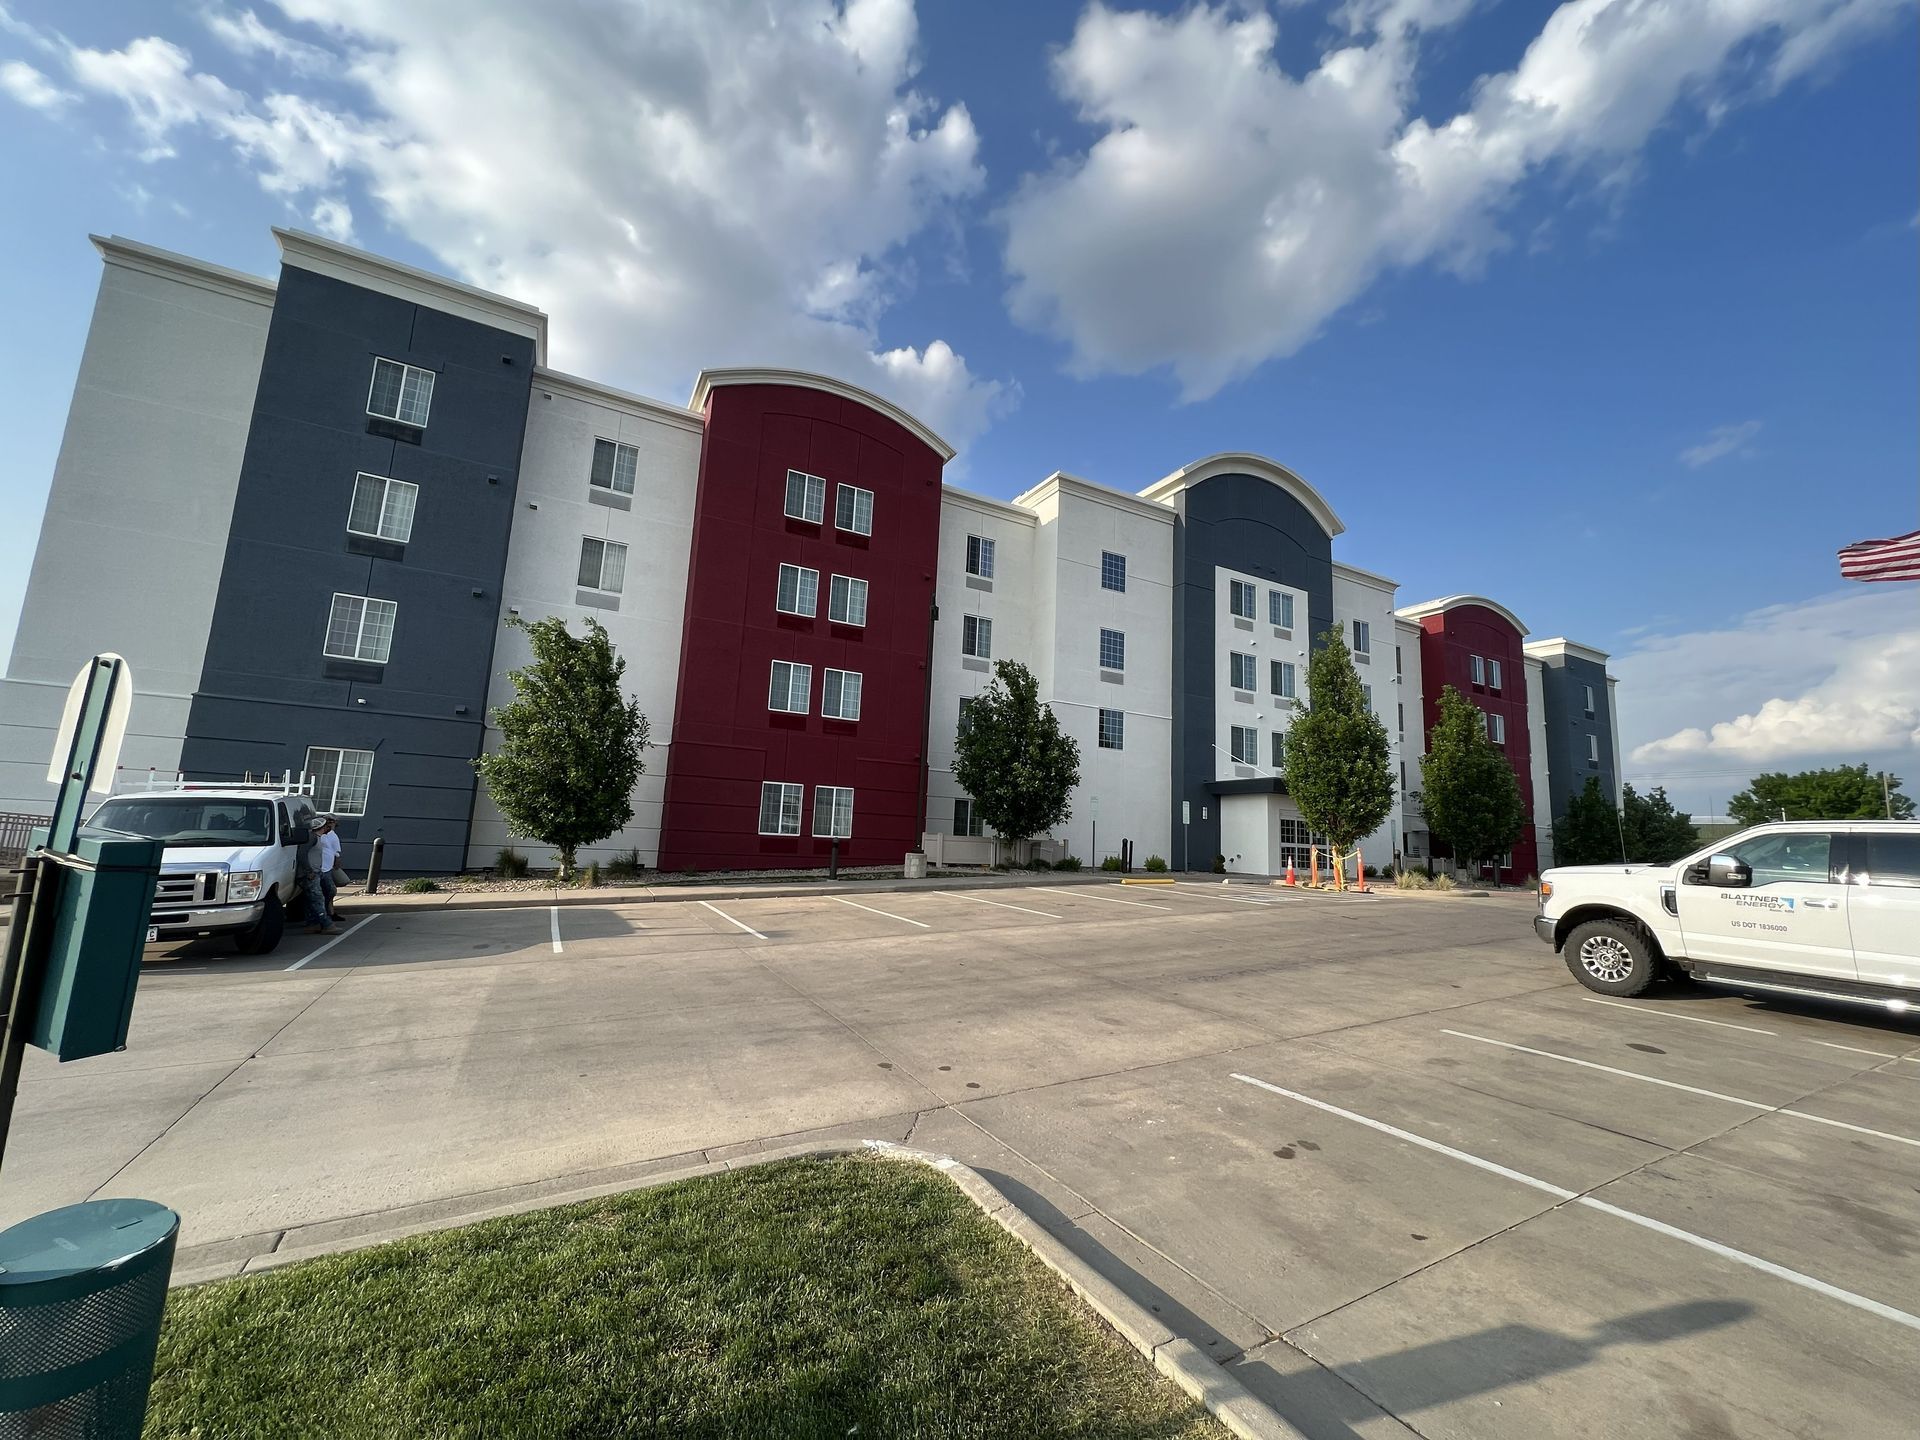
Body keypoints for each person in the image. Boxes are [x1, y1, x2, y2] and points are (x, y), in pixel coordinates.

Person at [301, 818, 337, 935]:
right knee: (318, 899)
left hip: (317, 872)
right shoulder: (312, 837)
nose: (328, 828)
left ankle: (313, 924)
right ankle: (327, 925)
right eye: (326, 826)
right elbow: (302, 854)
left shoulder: (318, 838)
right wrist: (309, 871)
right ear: (321, 827)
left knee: (311, 899)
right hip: (311, 874)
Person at [315, 815, 344, 923]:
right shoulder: (318, 834)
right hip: (319, 867)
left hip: (328, 867)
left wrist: (337, 860)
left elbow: (335, 850)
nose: (330, 823)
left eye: (332, 821)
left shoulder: (332, 835)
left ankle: (330, 912)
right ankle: (326, 913)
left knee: (329, 891)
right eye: (328, 821)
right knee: (328, 890)